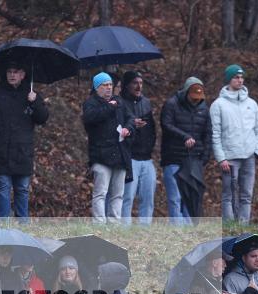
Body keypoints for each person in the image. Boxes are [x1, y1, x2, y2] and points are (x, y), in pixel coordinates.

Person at [0, 64, 49, 221]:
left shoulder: (31, 95)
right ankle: (4, 227)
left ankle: (22, 227)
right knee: (3, 189)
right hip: (0, 152)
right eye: (9, 71)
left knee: (22, 189)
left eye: (15, 72)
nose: (12, 75)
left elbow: (43, 118)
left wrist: (35, 102)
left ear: (22, 74)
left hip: (23, 152)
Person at [210, 64, 258, 224]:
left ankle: (243, 226)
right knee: (228, 195)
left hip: (249, 156)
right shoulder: (218, 105)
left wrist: (257, 151)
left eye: (241, 77)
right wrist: (221, 158)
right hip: (229, 157)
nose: (240, 80)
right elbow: (215, 134)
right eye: (236, 77)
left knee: (246, 195)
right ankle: (229, 226)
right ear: (229, 79)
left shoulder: (252, 104)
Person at [82, 72, 134, 223]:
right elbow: (90, 118)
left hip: (120, 154)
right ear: (97, 87)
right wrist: (109, 107)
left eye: (110, 84)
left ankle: (114, 224)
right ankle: (99, 224)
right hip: (100, 155)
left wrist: (128, 128)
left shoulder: (119, 101)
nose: (109, 88)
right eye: (105, 85)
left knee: (118, 194)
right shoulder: (90, 103)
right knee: (100, 193)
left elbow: (130, 118)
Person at [160, 76, 211, 225]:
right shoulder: (171, 104)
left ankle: (189, 229)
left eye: (198, 98)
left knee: (190, 198)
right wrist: (184, 137)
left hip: (194, 160)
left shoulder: (204, 109)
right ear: (186, 92)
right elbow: (166, 124)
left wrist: (204, 157)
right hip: (174, 157)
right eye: (193, 97)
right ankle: (177, 229)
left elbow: (208, 134)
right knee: (175, 197)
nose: (196, 100)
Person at [119, 70, 157, 225]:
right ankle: (124, 230)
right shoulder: (120, 102)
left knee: (148, 198)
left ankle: (144, 230)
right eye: (135, 83)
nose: (138, 86)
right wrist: (131, 125)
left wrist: (150, 147)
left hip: (147, 158)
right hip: (130, 157)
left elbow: (152, 129)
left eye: (141, 83)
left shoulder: (146, 103)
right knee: (127, 197)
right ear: (127, 85)